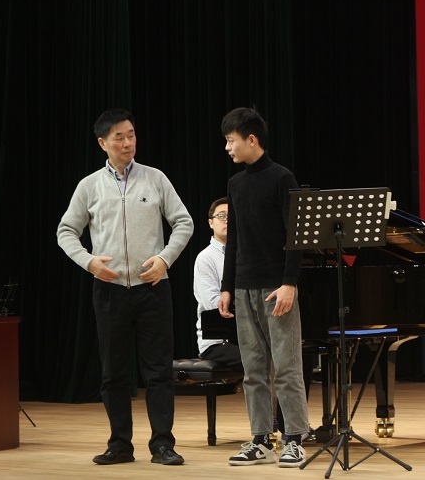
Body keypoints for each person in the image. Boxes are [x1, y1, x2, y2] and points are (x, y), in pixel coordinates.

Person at [57, 108, 194, 466]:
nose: (128, 142)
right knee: (113, 373)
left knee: (159, 371)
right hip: (110, 290)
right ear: (103, 143)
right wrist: (89, 262)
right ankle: (120, 444)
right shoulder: (89, 186)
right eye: (119, 137)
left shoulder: (155, 178)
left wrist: (164, 259)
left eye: (131, 134)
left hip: (153, 288)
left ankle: (162, 444)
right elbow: (66, 231)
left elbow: (184, 222)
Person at [217, 107, 310, 468]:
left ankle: (294, 438)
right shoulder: (235, 184)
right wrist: (227, 286)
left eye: (231, 140)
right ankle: (260, 439)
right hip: (243, 287)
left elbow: (295, 237)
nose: (228, 147)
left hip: (276, 286)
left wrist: (289, 283)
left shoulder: (282, 178)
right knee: (254, 371)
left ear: (251, 139)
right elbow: (235, 240)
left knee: (286, 367)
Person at [194, 197, 243, 372]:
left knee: (294, 354)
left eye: (231, 217)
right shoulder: (205, 258)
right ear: (211, 223)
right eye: (221, 216)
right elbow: (214, 304)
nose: (227, 221)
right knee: (258, 359)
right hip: (217, 342)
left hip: (246, 336)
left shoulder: (245, 254)